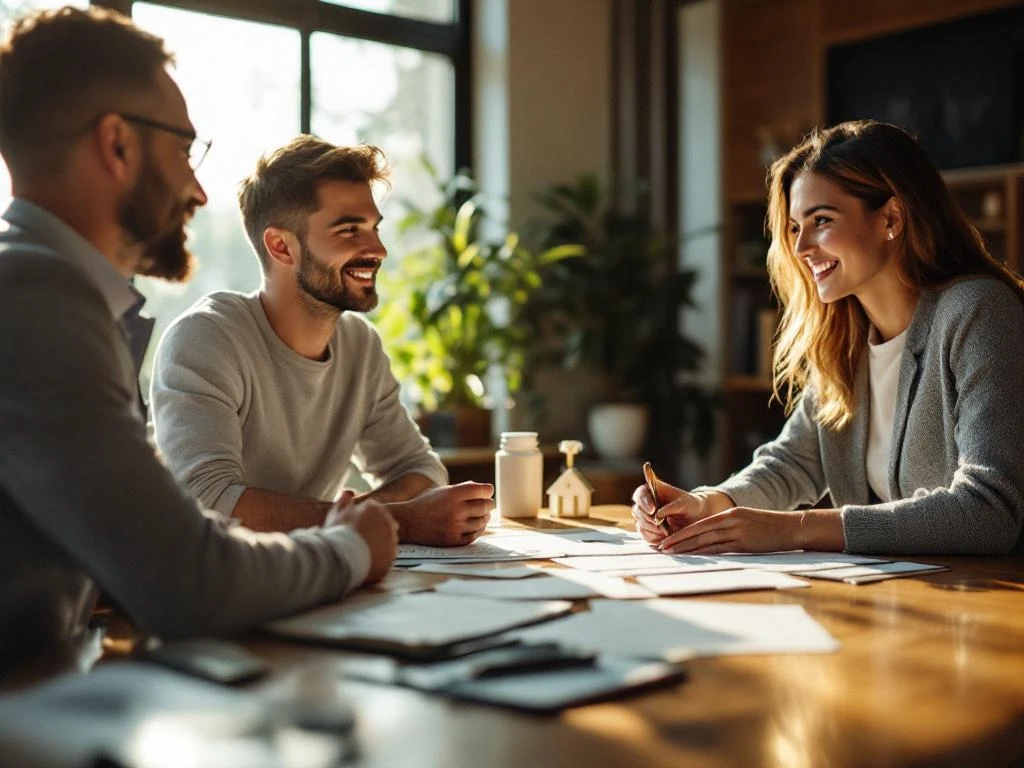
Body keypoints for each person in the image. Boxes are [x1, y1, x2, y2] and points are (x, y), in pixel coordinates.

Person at [0, 6, 398, 658]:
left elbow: (151, 549)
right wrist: (352, 547)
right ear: (118, 144)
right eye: (185, 150)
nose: (199, 189)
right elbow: (188, 579)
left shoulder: (47, 294)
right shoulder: (36, 299)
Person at [633, 120, 1024, 556]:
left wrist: (795, 528)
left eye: (821, 220)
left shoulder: (978, 311)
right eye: (796, 228)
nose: (801, 249)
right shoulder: (844, 338)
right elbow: (792, 463)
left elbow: (990, 510)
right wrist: (707, 505)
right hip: (908, 595)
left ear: (891, 218)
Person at [150, 135, 494, 547]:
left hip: (309, 574)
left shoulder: (360, 346)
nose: (378, 250)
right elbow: (209, 503)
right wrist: (399, 521)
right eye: (350, 230)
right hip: (205, 592)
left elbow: (419, 469)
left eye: (374, 228)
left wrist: (372, 519)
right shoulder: (206, 338)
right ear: (281, 246)